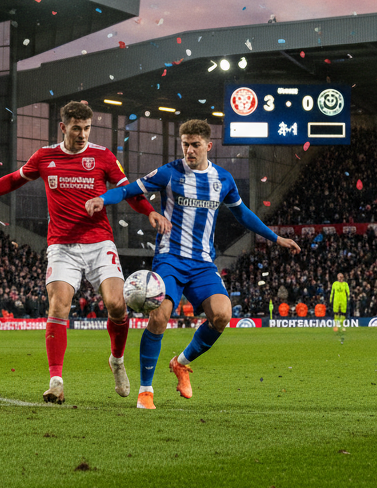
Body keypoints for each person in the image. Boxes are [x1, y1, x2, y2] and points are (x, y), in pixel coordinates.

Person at [0, 101, 169, 405]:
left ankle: (117, 360)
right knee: (58, 306)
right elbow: (14, 179)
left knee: (116, 305)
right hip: (62, 246)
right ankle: (56, 382)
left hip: (99, 243)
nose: (82, 134)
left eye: (87, 128)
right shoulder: (45, 157)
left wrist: (149, 211)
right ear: (63, 127)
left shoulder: (103, 156)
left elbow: (129, 191)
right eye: (76, 128)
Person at [87, 119, 300, 409]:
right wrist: (103, 198)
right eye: (185, 144)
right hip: (170, 260)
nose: (189, 150)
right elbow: (128, 190)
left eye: (195, 145)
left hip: (202, 264)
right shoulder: (169, 173)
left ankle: (181, 362)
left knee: (222, 315)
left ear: (208, 146)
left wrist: (276, 238)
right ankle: (146, 390)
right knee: (159, 317)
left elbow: (243, 214)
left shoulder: (223, 179)